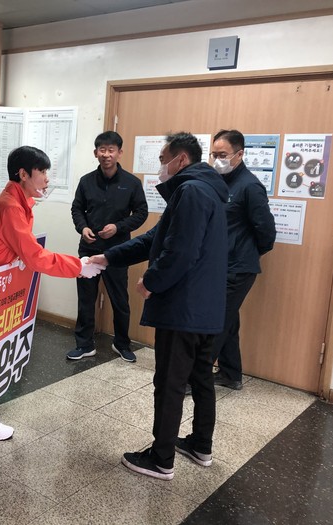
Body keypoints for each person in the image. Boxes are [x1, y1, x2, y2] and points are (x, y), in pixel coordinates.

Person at [91, 132, 228, 480]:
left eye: (163, 159)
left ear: (181, 159)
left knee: (169, 381)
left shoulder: (191, 191)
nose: (160, 167)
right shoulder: (203, 189)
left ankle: (161, 458)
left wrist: (151, 282)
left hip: (184, 309)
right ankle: (200, 444)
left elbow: (180, 251)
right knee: (200, 377)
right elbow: (156, 238)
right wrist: (109, 257)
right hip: (206, 307)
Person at [0, 146, 102, 441]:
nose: (46, 178)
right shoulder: (11, 207)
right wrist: (78, 266)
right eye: (42, 171)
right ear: (23, 174)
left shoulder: (13, 201)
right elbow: (34, 256)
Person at [67, 131, 148, 363]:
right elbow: (77, 209)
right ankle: (84, 344)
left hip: (117, 251)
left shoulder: (132, 183)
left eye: (111, 150)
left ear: (119, 153)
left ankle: (121, 343)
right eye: (102, 150)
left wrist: (118, 227)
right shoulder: (86, 181)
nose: (106, 154)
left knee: (120, 300)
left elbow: (141, 213)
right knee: (86, 299)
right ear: (96, 153)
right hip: (89, 249)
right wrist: (83, 227)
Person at [208, 129, 276, 390]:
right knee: (228, 320)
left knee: (216, 322)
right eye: (214, 155)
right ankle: (231, 374)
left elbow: (266, 232)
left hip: (238, 268)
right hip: (218, 264)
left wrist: (247, 252)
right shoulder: (218, 181)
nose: (217, 160)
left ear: (239, 155)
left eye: (222, 155)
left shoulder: (250, 186)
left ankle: (195, 377)